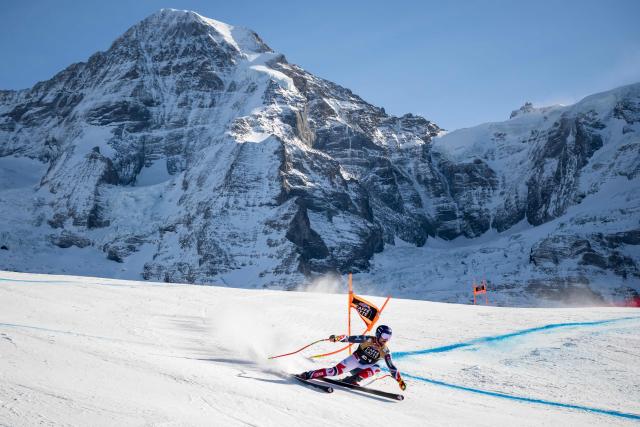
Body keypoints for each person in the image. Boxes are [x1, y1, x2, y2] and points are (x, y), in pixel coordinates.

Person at [300, 324, 406, 390]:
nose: (386, 339)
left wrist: (400, 380)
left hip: (363, 370)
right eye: (384, 336)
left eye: (389, 337)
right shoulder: (367, 339)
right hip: (355, 361)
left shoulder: (385, 350)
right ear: (378, 335)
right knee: (333, 372)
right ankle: (309, 374)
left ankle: (352, 380)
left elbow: (392, 367)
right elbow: (349, 338)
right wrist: (337, 338)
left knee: (377, 368)